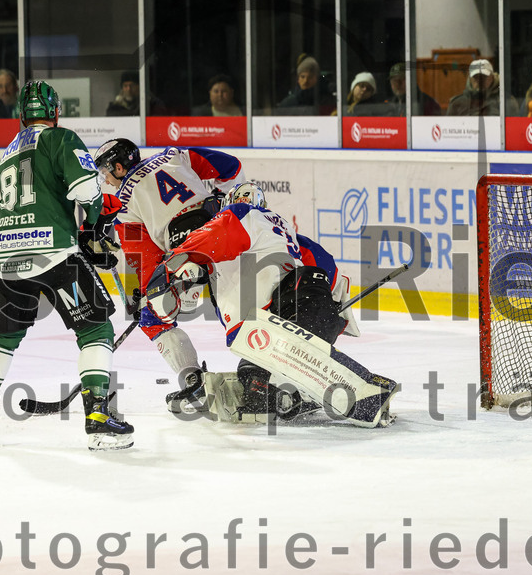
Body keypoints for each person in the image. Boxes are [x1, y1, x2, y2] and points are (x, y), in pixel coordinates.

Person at [0, 81, 133, 451]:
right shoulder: (61, 138)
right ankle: (98, 414)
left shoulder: (6, 152)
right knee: (96, 329)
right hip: (52, 251)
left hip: (4, 257)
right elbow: (86, 190)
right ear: (56, 112)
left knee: (0, 338)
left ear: (21, 116)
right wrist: (94, 227)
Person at [147, 183, 394, 426]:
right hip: (309, 307)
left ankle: (271, 390)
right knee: (253, 377)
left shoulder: (240, 214)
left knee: (254, 372)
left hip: (279, 315)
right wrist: (334, 317)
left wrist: (174, 262)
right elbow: (328, 267)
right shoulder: (286, 234)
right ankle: (291, 394)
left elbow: (216, 233)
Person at [93, 138, 245, 405]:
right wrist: (221, 202)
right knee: (242, 310)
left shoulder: (124, 205)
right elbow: (231, 167)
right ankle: (267, 369)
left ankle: (192, 379)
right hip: (228, 232)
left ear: (118, 167)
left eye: (106, 171)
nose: (106, 180)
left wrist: (147, 294)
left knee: (152, 318)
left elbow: (146, 259)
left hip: (188, 255)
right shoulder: (176, 155)